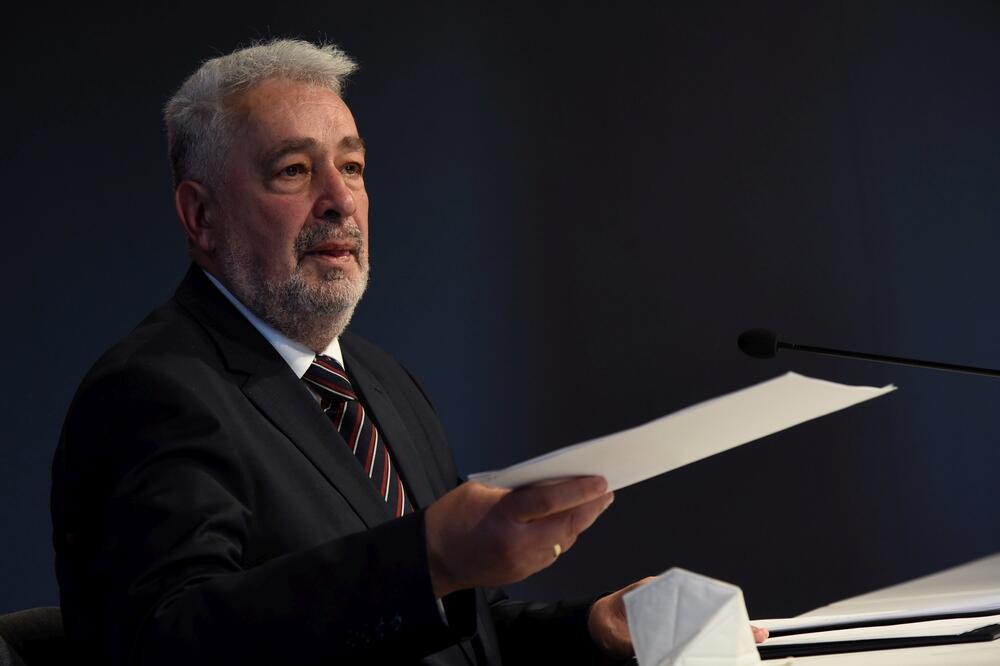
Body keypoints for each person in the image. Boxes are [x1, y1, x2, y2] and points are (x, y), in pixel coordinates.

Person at [52, 39, 766, 665]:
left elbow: (464, 631)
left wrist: (593, 629)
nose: (339, 200)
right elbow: (168, 642)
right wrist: (426, 557)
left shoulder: (379, 379)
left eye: (353, 166)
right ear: (201, 216)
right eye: (294, 170)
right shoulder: (153, 391)